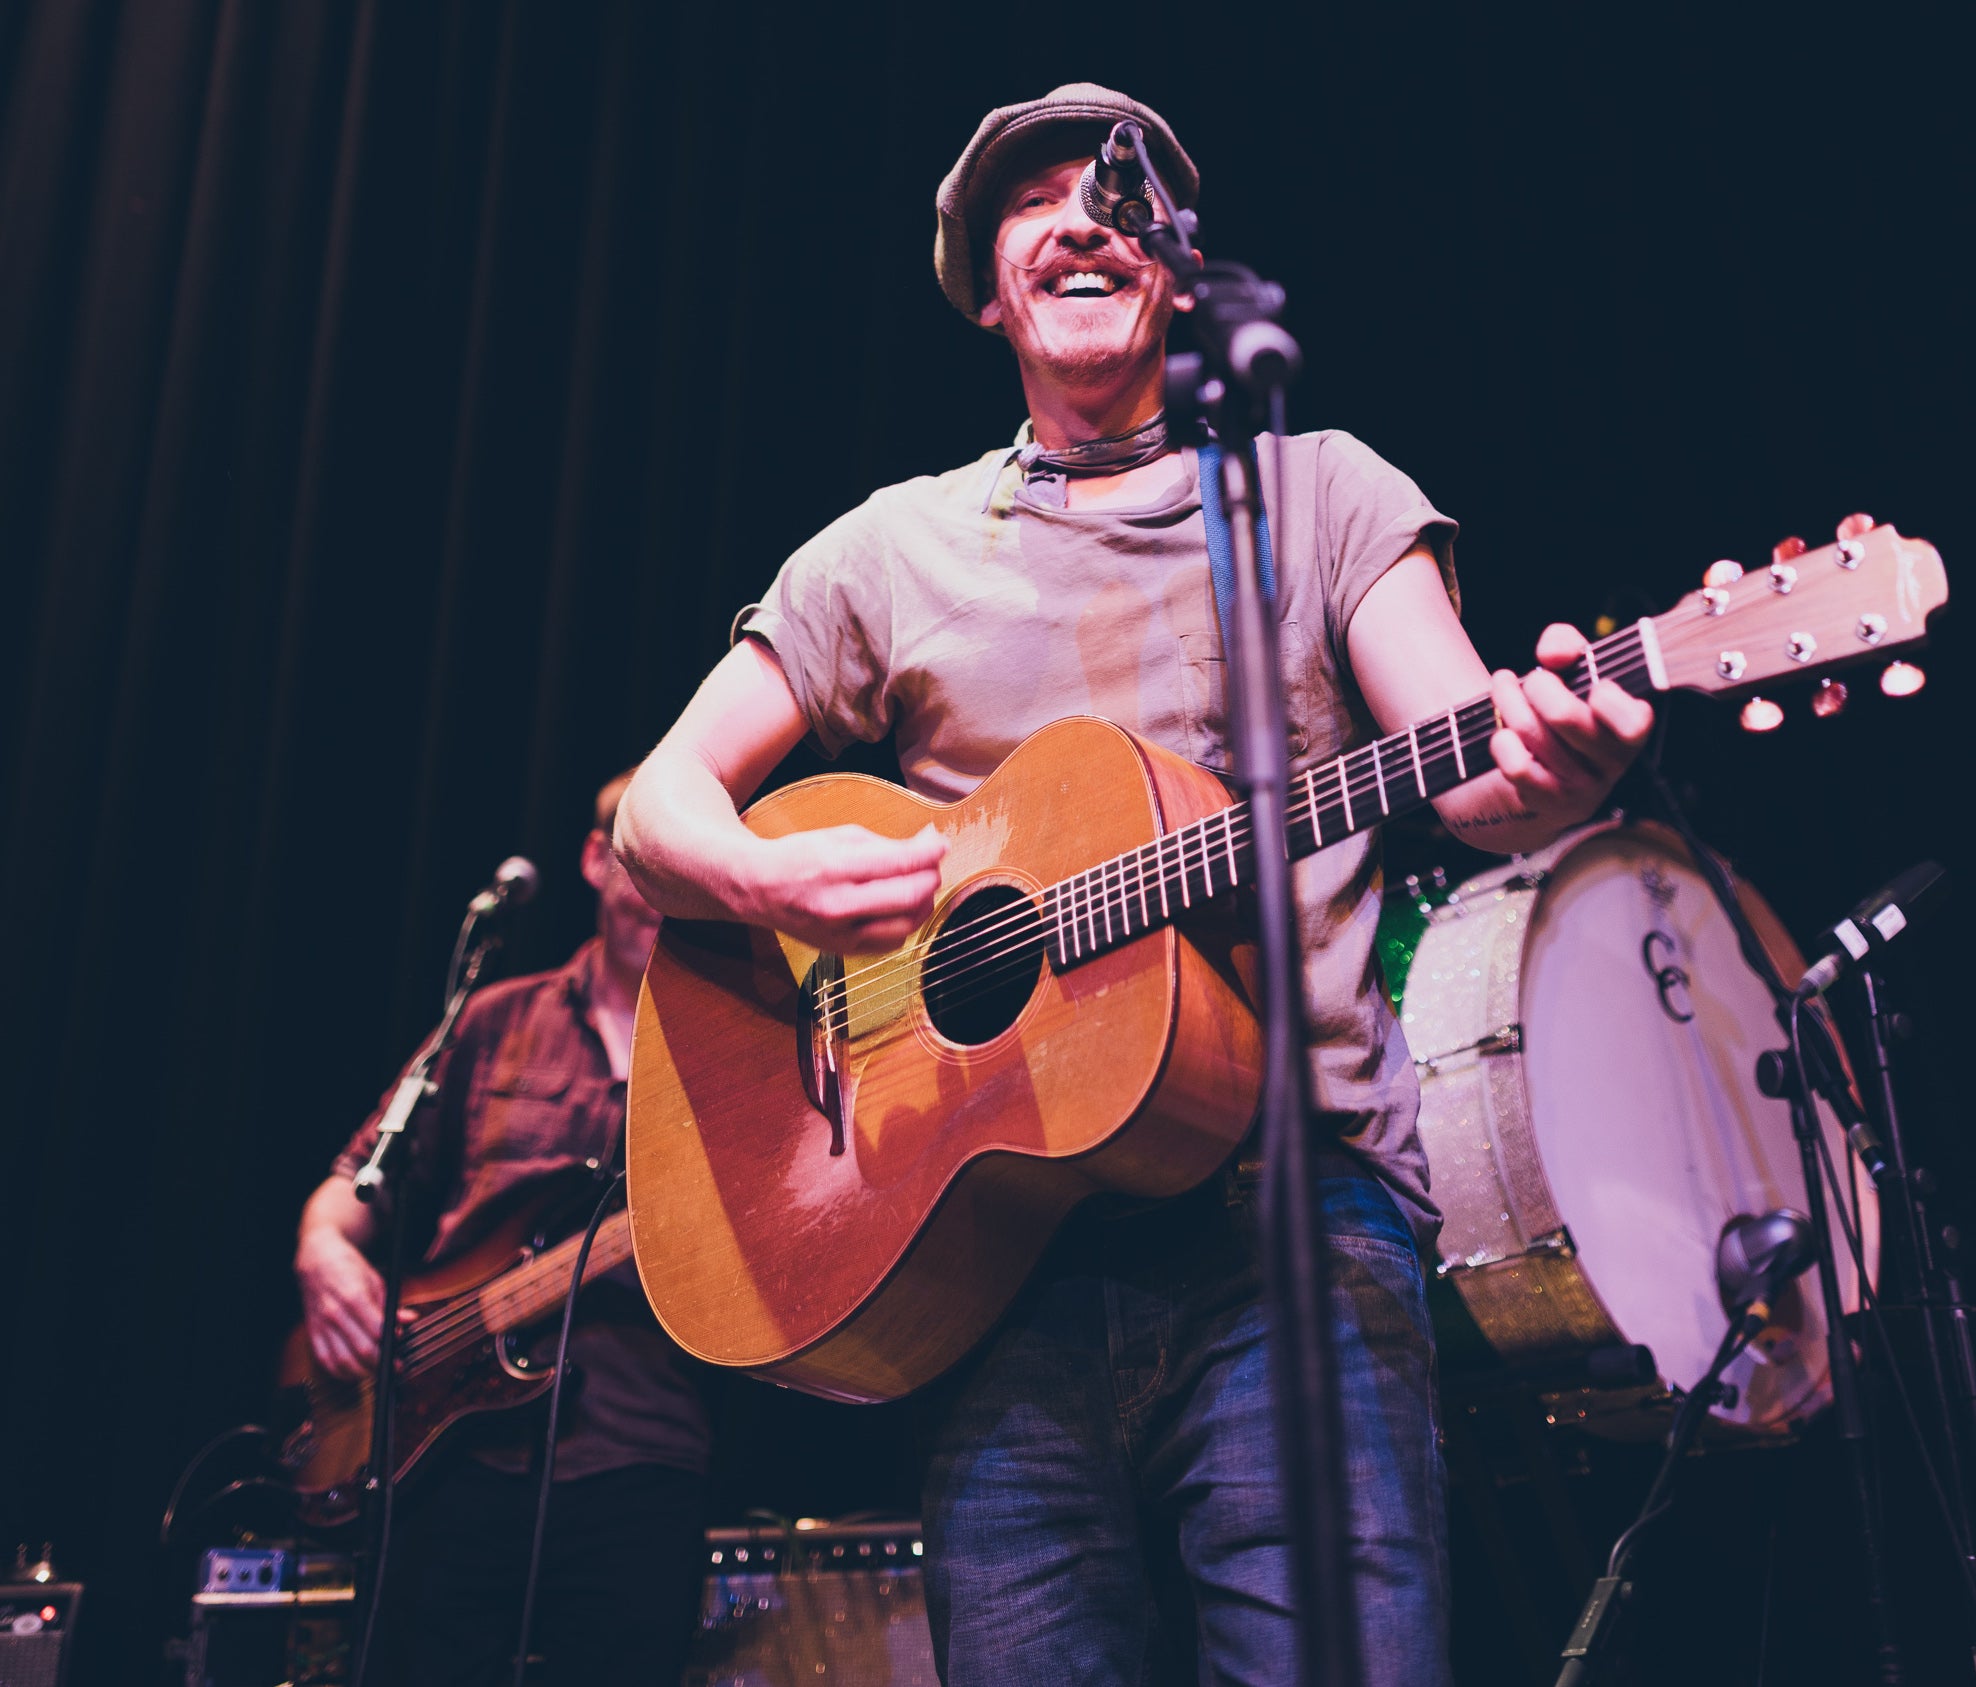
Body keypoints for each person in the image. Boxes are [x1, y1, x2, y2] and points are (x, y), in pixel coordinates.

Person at [612, 83, 1652, 1687]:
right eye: (1030, 203)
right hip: (986, 1256)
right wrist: (768, 883)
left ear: (1174, 268)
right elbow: (660, 811)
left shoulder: (1326, 495)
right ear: (988, 283)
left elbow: (1474, 756)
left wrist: (1553, 764)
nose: (1078, 216)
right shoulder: (888, 551)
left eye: (1113, 192)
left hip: (1294, 1229)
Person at [294, 771, 710, 1687]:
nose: (663, 892)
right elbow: (354, 1181)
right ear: (599, 860)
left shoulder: (731, 1042)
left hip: (639, 1451)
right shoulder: (495, 1019)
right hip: (446, 1452)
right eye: (647, 862)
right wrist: (321, 1248)